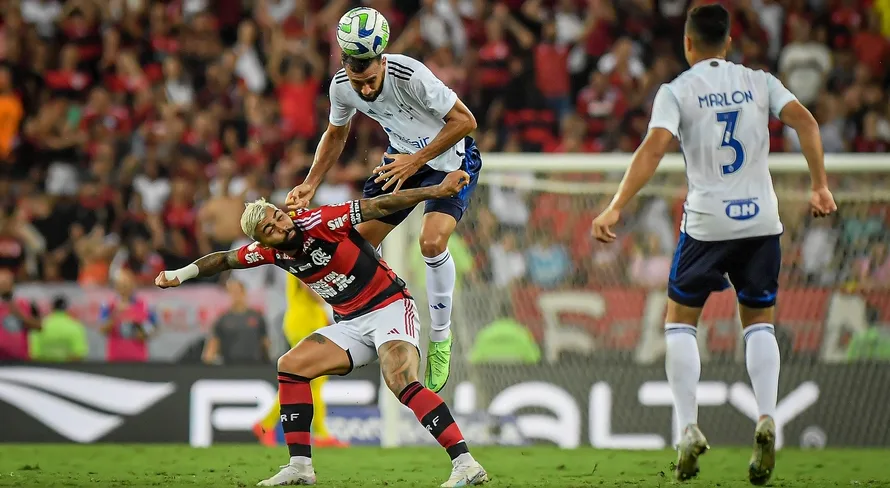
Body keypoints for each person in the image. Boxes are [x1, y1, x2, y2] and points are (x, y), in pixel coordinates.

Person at [591, 4, 837, 485]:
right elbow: (807, 122)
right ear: (728, 43)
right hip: (762, 221)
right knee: (759, 322)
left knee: (679, 323)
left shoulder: (677, 91)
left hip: (706, 225)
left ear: (688, 44)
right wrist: (819, 185)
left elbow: (653, 148)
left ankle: (687, 428)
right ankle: (766, 417)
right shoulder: (759, 81)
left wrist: (617, 204)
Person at [156, 171, 489, 488]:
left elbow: (379, 206)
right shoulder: (268, 253)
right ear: (261, 241)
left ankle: (465, 463)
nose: (279, 226)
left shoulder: (322, 221)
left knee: (400, 381)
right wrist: (179, 274)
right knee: (290, 366)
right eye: (269, 229)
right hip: (351, 322)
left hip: (389, 306)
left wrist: (435, 192)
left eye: (277, 216)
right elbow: (225, 259)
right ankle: (300, 466)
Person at [285, 41, 482, 393]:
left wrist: (417, 159)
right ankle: (369, 317)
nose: (364, 88)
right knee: (351, 248)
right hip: (402, 160)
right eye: (357, 80)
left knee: (432, 242)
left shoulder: (412, 76)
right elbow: (336, 133)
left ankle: (439, 337)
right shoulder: (342, 86)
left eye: (370, 79)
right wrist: (310, 183)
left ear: (382, 61)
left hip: (449, 159)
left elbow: (466, 121)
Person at [252, 274, 348, 448]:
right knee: (315, 379)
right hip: (305, 323)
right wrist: (334, 299)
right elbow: (310, 288)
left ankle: (267, 424)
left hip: (306, 321)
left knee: (307, 380)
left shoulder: (300, 255)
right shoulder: (303, 257)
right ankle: (320, 434)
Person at [202, 278, 270, 365]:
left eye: (237, 292)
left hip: (254, 366)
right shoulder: (222, 319)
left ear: (244, 293)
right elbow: (213, 344)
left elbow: (265, 343)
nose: (235, 296)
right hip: (230, 367)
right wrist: (208, 360)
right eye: (232, 292)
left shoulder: (257, 317)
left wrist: (268, 363)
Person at [29, 296, 89, 362]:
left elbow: (34, 354)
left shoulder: (40, 325)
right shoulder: (76, 326)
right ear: (67, 309)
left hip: (43, 369)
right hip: (68, 369)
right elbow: (79, 354)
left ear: (52, 308)